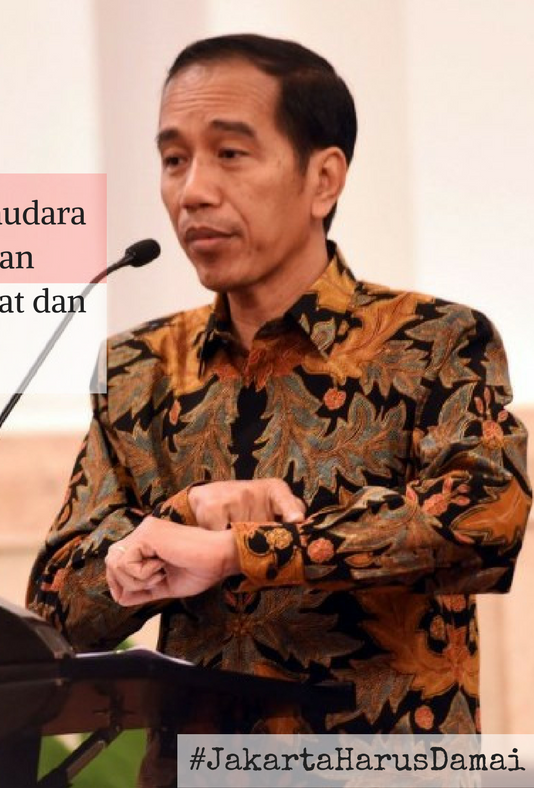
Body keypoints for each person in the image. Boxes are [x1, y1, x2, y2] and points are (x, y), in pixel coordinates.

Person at [26, 33, 530, 785]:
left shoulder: (434, 340)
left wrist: (242, 551)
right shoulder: (136, 368)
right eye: (173, 159)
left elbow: (482, 519)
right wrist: (183, 516)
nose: (193, 191)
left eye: (230, 153)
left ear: (323, 179)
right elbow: (53, 610)